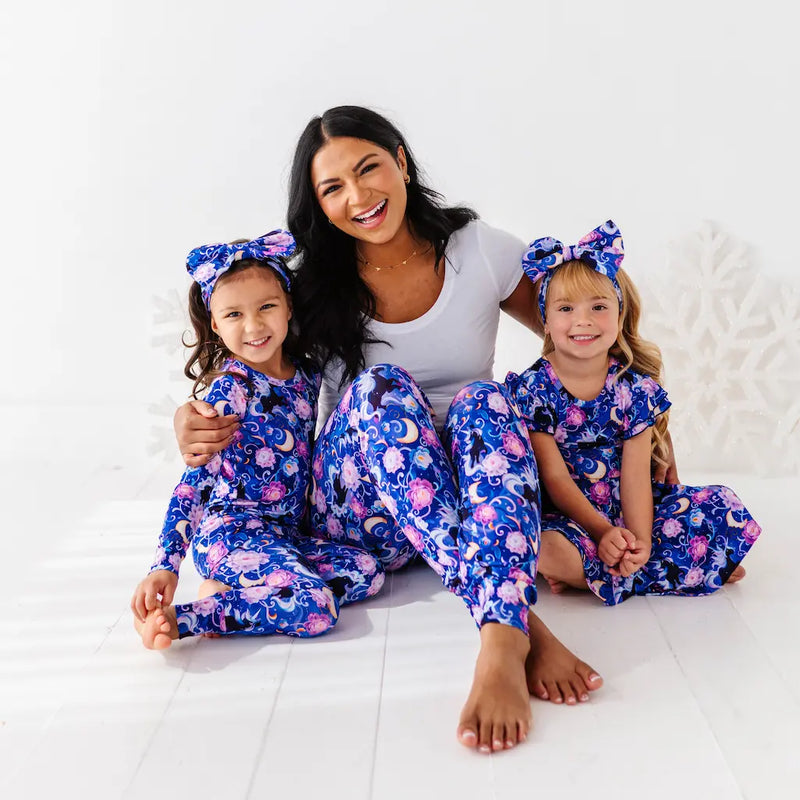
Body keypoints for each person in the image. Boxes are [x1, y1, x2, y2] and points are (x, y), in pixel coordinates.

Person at [174, 106, 604, 755]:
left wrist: (644, 433)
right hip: (357, 505)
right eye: (332, 188)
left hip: (467, 490)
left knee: (488, 401)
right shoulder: (310, 277)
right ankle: (513, 631)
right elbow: (248, 350)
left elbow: (579, 339)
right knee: (380, 387)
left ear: (401, 160)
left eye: (368, 168)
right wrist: (191, 413)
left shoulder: (480, 250)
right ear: (319, 205)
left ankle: (498, 617)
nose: (358, 196)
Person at [132, 232, 384, 649]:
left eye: (267, 306)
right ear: (215, 323)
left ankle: (237, 599)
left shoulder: (306, 375)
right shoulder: (231, 390)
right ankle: (190, 618)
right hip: (230, 533)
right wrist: (165, 566)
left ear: (288, 306)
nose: (253, 326)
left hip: (285, 533)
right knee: (317, 607)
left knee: (368, 571)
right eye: (233, 314)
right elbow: (195, 482)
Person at [506, 220, 761, 604]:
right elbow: (555, 478)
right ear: (545, 318)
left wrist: (638, 542)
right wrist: (602, 531)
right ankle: (659, 567)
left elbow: (636, 476)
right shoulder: (534, 390)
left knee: (720, 505)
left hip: (632, 507)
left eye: (598, 307)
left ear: (621, 315)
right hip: (573, 515)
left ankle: (623, 569)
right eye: (565, 308)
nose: (583, 320)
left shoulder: (633, 388)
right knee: (541, 543)